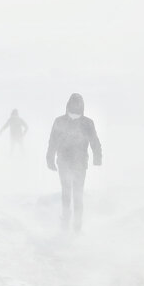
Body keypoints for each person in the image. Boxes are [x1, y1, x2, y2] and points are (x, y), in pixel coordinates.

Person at [46, 93, 102, 232]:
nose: (75, 106)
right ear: (68, 105)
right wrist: (50, 158)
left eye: (78, 104)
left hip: (80, 164)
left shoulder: (87, 123)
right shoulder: (60, 121)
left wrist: (97, 157)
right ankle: (65, 221)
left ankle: (77, 224)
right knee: (66, 192)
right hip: (64, 163)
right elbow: (52, 141)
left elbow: (94, 141)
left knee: (77, 194)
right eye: (74, 104)